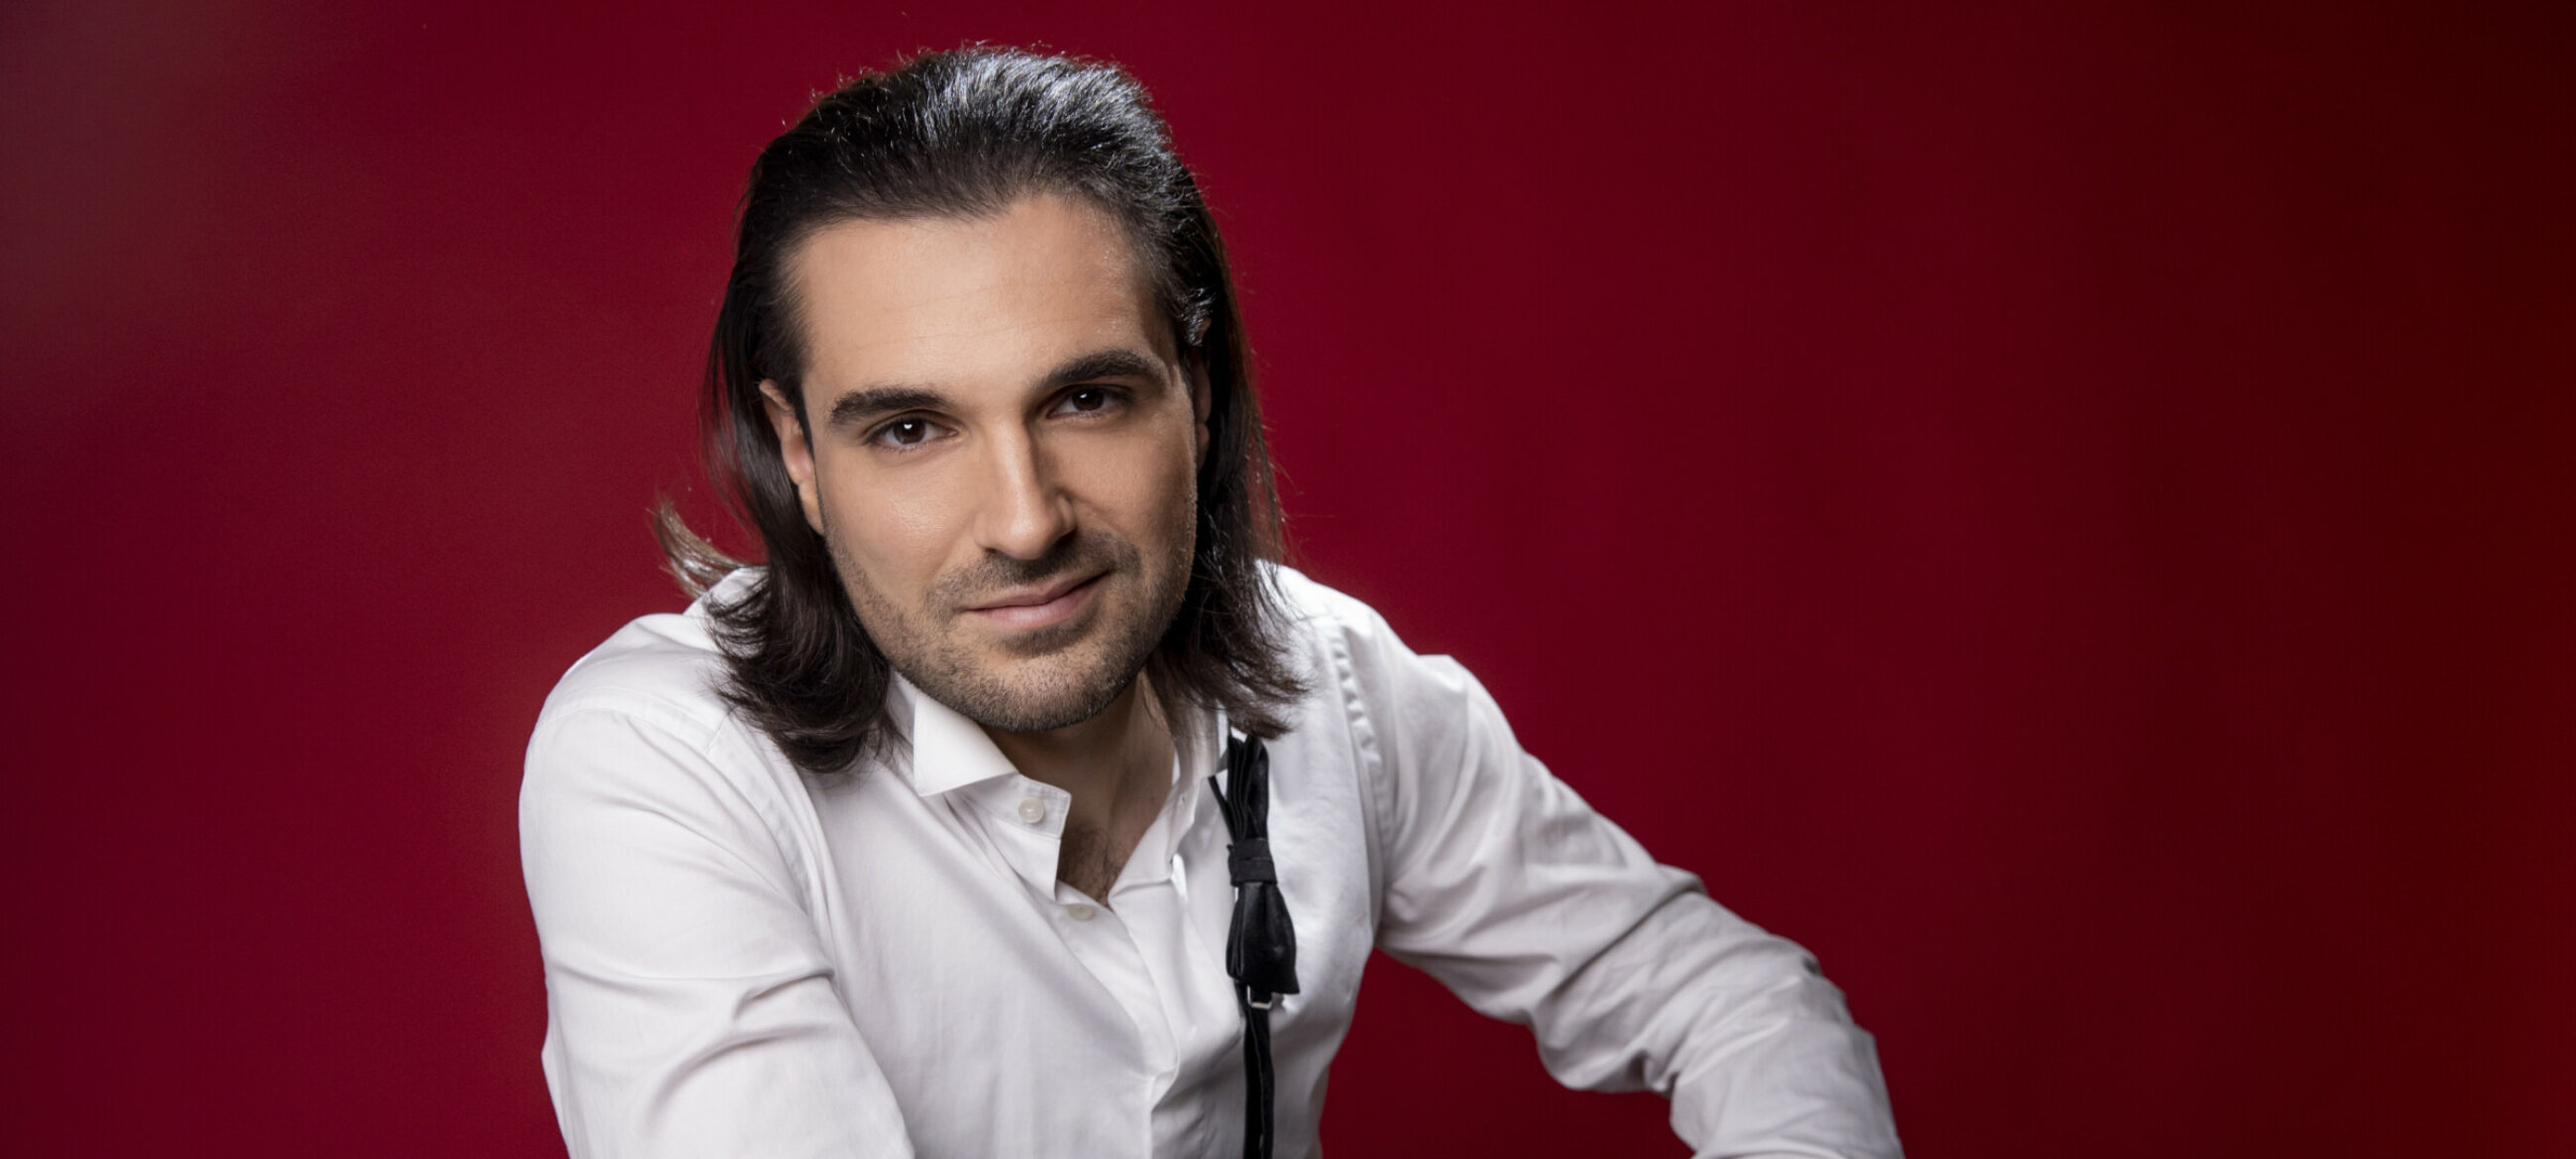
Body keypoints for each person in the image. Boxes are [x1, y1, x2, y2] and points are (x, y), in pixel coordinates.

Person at [520, 47, 1901, 1159]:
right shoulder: (665, 763)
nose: (1025, 521)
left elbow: (1736, 999)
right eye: (911, 430)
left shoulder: (1333, 681)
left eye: (1086, 398)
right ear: (800, 455)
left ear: (1196, 391)